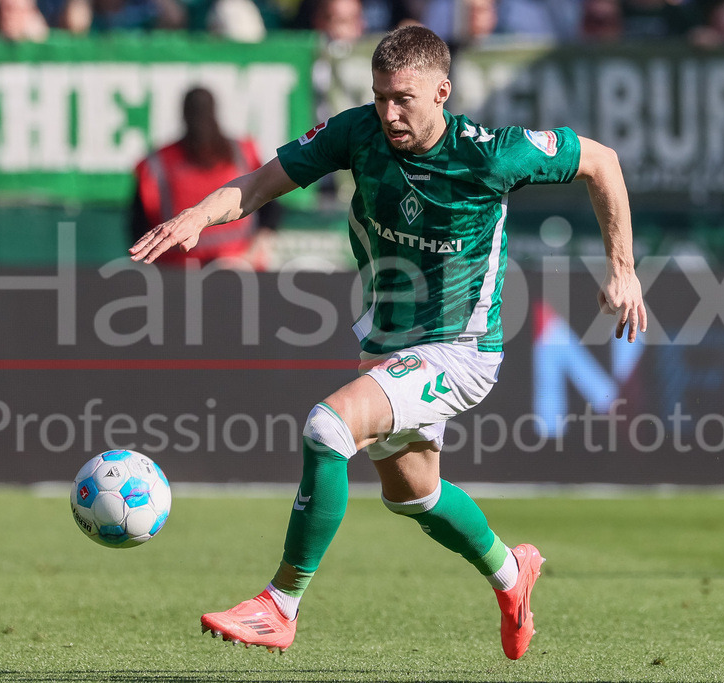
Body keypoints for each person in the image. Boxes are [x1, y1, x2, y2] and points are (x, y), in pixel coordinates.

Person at [130, 26, 646, 658]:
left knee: (327, 428)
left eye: (403, 98)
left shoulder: (492, 154)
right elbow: (264, 182)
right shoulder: (357, 133)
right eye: (380, 98)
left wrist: (621, 267)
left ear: (443, 92)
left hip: (460, 350)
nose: (390, 114)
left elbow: (602, 162)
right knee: (415, 497)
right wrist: (199, 215)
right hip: (388, 342)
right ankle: (513, 576)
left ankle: (280, 605)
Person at [129, 87, 279, 268]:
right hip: (185, 270)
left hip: (232, 268)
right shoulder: (242, 152)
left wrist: (253, 251)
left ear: (182, 114)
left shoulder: (157, 162)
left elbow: (270, 208)